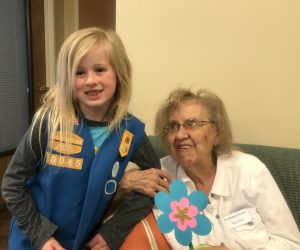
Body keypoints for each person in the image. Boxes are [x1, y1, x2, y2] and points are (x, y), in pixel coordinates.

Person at [1, 27, 171, 250]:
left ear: (119, 74)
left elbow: (155, 186)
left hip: (83, 243)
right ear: (67, 79)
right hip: (32, 241)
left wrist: (115, 230)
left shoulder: (131, 131)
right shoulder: (49, 122)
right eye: (79, 73)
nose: (91, 80)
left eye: (100, 69)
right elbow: (12, 185)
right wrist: (41, 235)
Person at [120, 88, 300, 249]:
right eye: (173, 127)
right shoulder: (160, 175)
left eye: (192, 123)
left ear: (217, 133)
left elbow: (291, 243)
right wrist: (124, 182)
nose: (181, 134)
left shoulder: (250, 171)